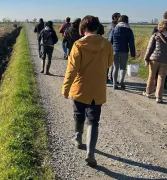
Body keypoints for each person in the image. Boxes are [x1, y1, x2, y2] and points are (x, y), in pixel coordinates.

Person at [62, 15, 113, 168]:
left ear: (82, 29)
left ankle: (78, 139)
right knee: (93, 121)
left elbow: (72, 69)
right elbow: (109, 63)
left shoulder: (78, 45)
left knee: (78, 115)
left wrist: (65, 88)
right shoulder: (107, 44)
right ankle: (90, 153)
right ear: (97, 28)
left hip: (80, 87)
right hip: (97, 89)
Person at [143, 20, 167, 103]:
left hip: (154, 59)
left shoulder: (155, 35)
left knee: (151, 76)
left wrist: (146, 58)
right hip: (166, 60)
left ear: (160, 27)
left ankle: (148, 93)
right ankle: (159, 97)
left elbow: (149, 49)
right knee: (161, 78)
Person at [108, 15, 136, 90]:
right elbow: (131, 43)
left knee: (115, 67)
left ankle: (114, 84)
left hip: (115, 51)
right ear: (127, 21)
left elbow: (110, 41)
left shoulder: (114, 29)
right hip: (124, 51)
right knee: (123, 67)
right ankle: (121, 82)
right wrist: (133, 54)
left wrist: (109, 51)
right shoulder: (129, 30)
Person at [106, 13, 121, 84]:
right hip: (112, 46)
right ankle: (112, 78)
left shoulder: (109, 25)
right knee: (113, 63)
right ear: (114, 18)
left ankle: (106, 78)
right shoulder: (115, 26)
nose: (119, 19)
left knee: (107, 63)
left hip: (107, 45)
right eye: (118, 17)